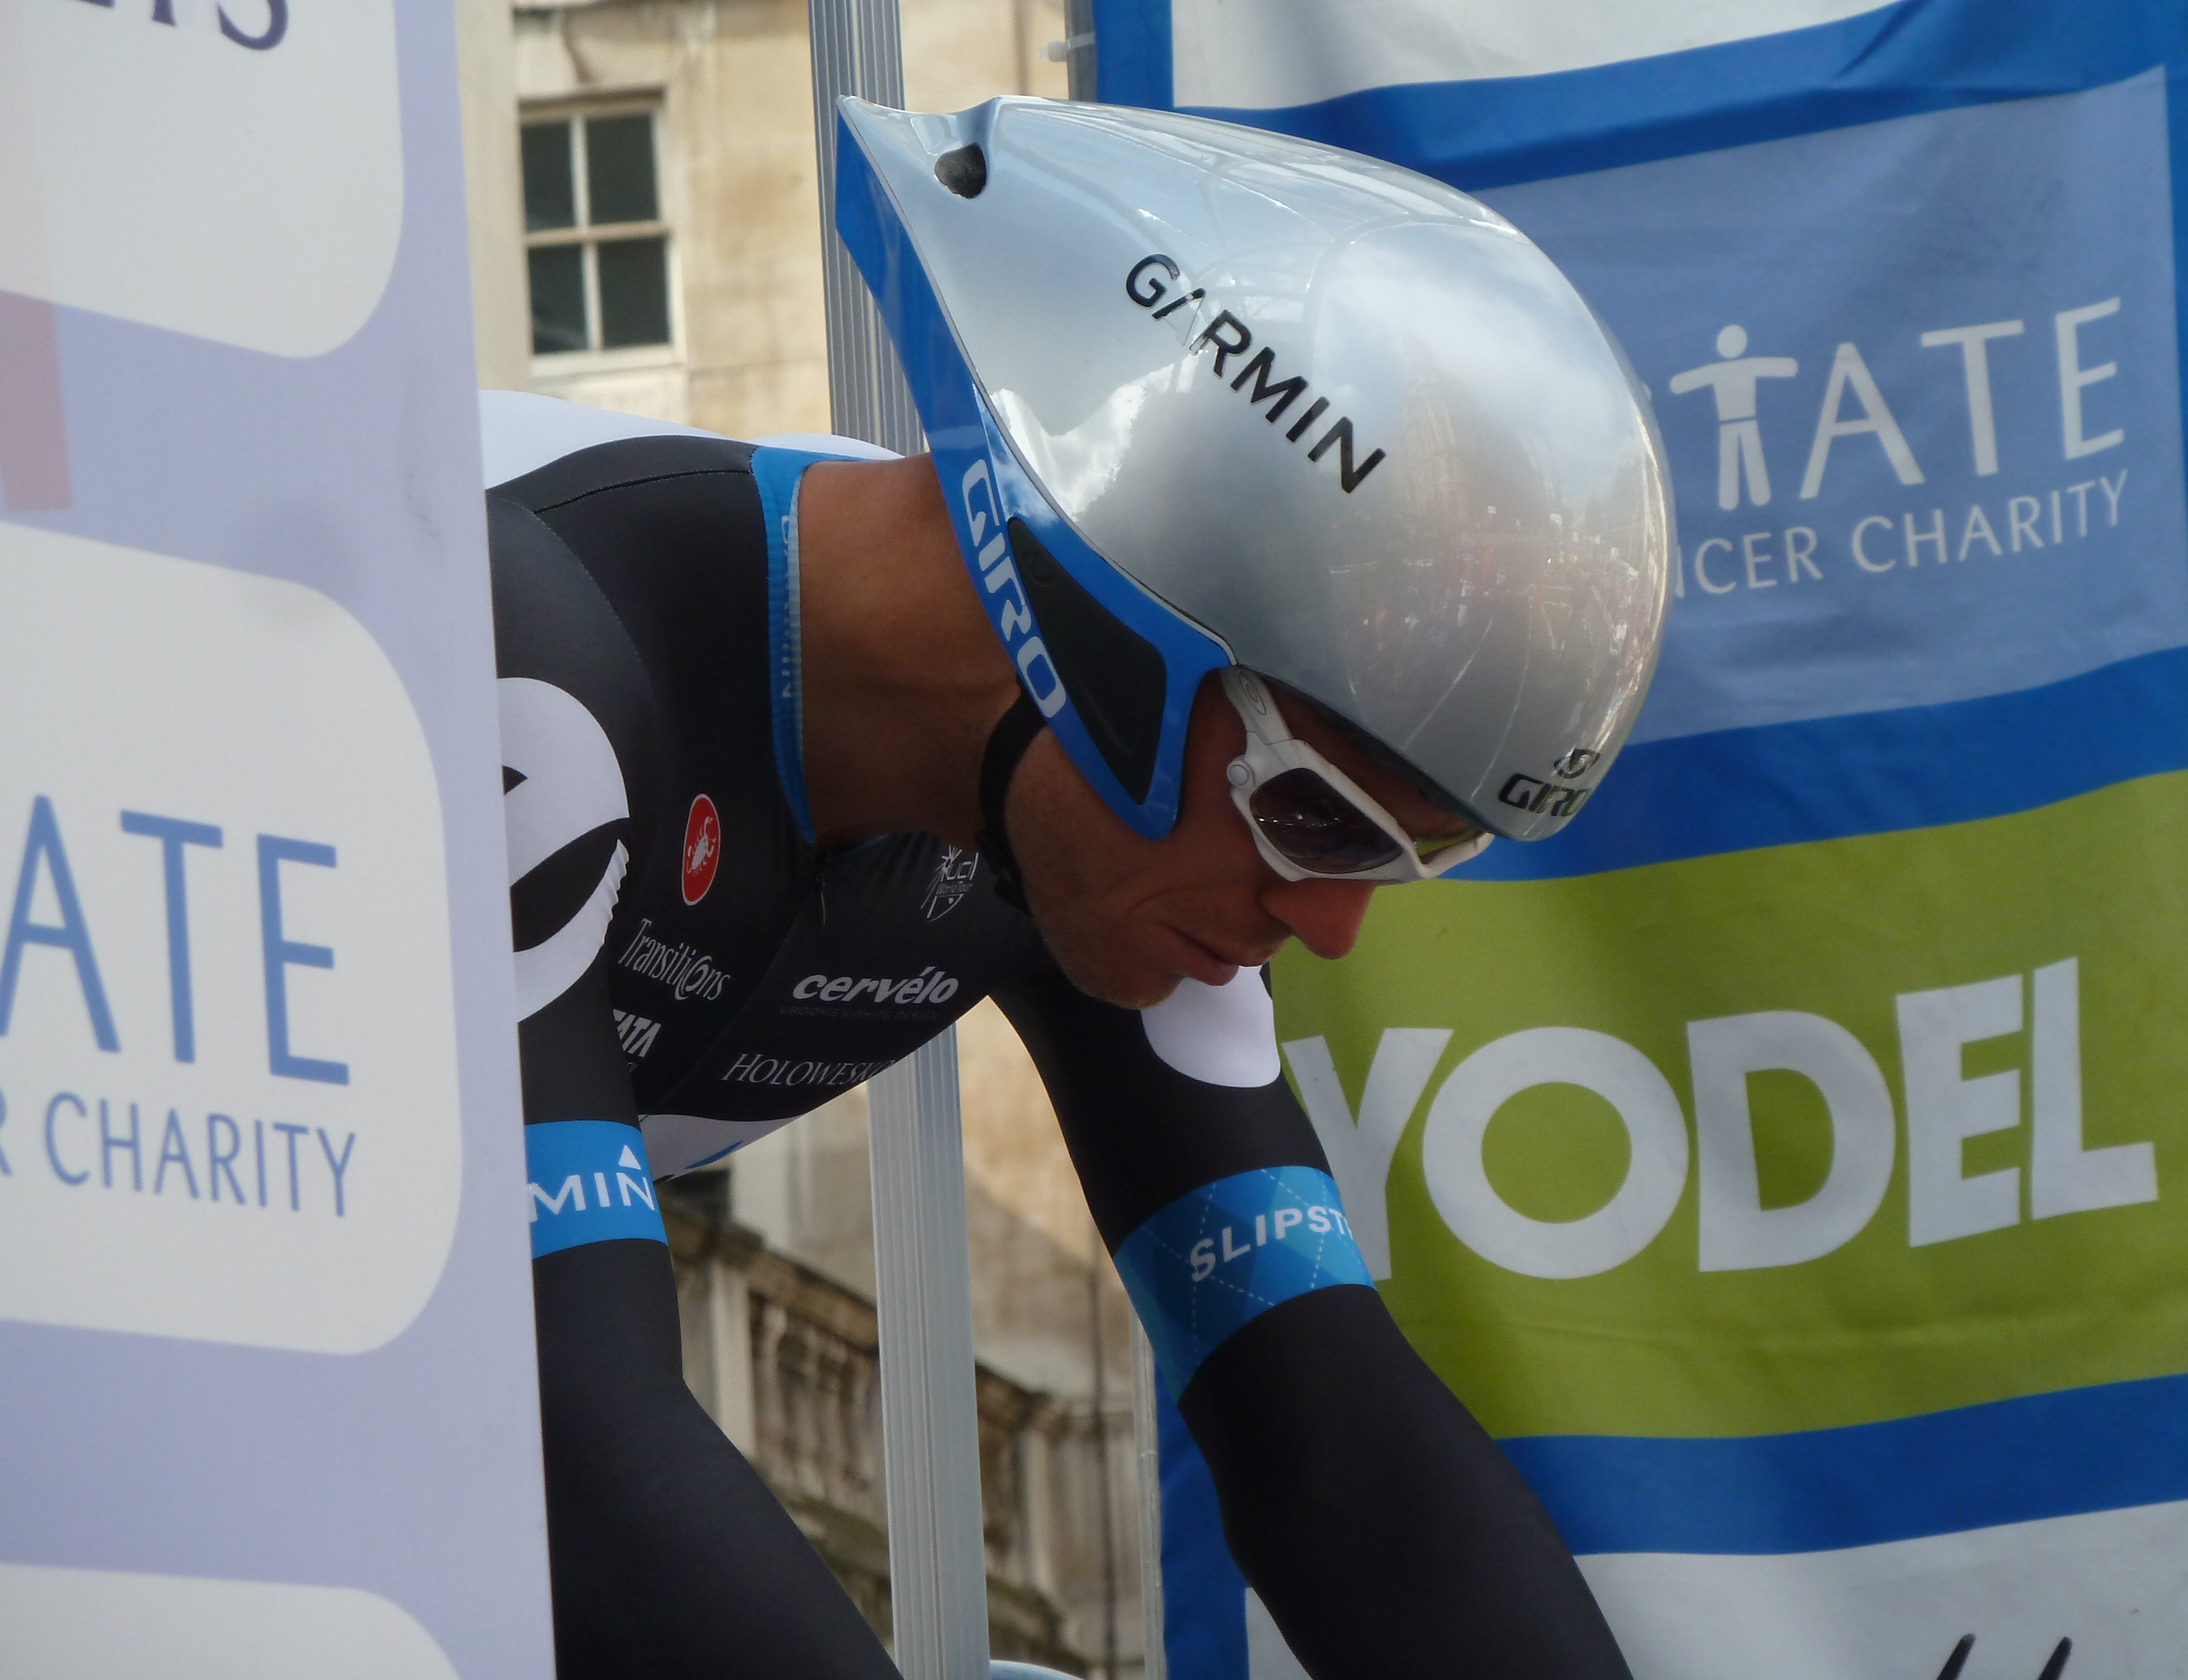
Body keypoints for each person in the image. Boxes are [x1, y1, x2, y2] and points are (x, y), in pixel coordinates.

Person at [492, 94, 1671, 1679]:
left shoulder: (1087, 835)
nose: (1327, 926)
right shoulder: (523, 646)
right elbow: (556, 1432)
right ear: (1098, 629)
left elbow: (1337, 1445)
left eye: (1412, 856)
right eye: (1318, 820)